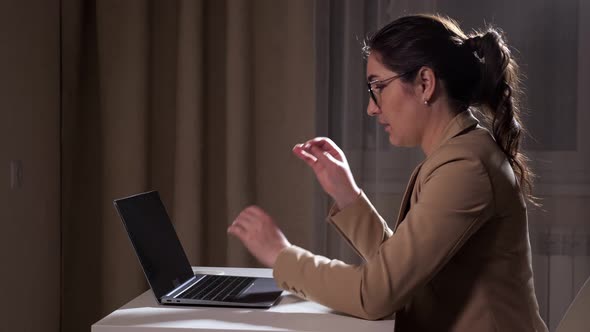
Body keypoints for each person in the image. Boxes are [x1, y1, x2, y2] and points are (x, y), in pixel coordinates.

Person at [227, 14, 548, 331]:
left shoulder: (466, 167)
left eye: (378, 86)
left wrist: (281, 255)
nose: (372, 107)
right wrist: (347, 195)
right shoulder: (461, 154)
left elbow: (376, 294)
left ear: (425, 83)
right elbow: (399, 272)